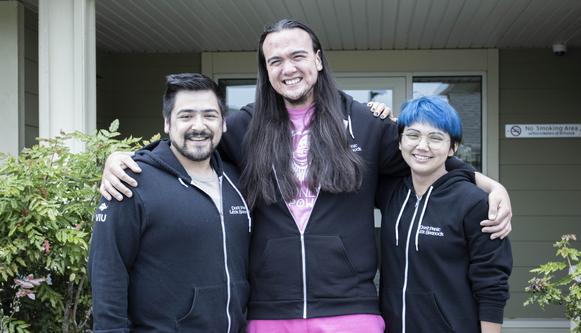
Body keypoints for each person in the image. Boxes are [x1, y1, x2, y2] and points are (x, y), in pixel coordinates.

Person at [99, 19, 512, 333]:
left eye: (297, 56)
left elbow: (423, 156)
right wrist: (126, 157)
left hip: (352, 311)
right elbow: (190, 142)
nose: (288, 68)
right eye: (275, 60)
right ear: (266, 69)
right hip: (268, 313)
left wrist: (490, 185)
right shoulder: (242, 127)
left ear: (317, 59)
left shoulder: (364, 124)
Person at [88, 73, 251, 332]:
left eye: (210, 116)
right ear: (167, 123)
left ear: (224, 124)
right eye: (186, 116)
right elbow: (108, 269)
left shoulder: (238, 181)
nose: (199, 126)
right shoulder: (131, 181)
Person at [377, 96, 512, 333]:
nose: (422, 146)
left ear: (453, 148)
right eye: (413, 135)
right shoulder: (390, 192)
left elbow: (492, 283)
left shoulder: (475, 203)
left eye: (435, 138)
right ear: (399, 142)